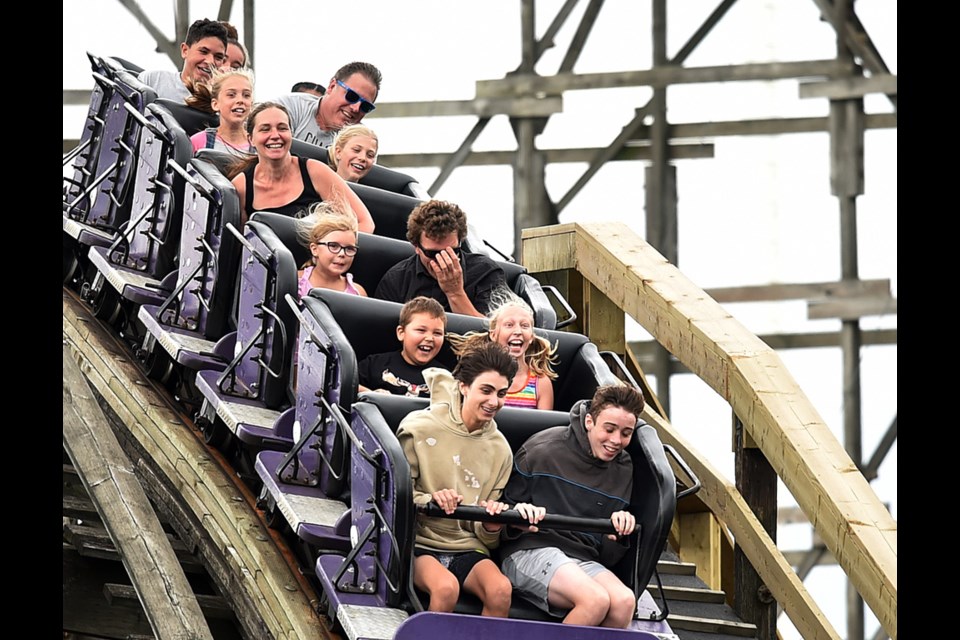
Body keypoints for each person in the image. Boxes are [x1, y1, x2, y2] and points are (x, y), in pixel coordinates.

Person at [499, 384, 645, 628]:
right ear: (589, 421)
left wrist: (616, 536)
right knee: (595, 599)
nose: (616, 441)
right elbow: (502, 521)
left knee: (624, 601)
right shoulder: (542, 449)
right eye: (609, 429)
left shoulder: (623, 468)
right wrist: (520, 520)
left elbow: (607, 557)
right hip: (530, 549)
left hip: (582, 557)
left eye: (626, 433)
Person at [396, 342, 519, 617]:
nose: (493, 402)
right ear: (463, 386)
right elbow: (395, 493)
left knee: (501, 590)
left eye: (501, 394)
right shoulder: (418, 427)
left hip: (466, 546)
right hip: (419, 542)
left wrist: (491, 525)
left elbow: (487, 540)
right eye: (485, 391)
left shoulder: (501, 450)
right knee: (445, 588)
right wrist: (431, 499)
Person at [228, 101, 374, 231]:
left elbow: (365, 223)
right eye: (265, 129)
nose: (275, 135)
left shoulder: (315, 171)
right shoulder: (241, 187)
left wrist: (334, 252)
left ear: (291, 133)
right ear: (251, 139)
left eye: (282, 128)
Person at [375, 200, 506, 318]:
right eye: (432, 254)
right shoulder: (396, 280)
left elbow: (497, 333)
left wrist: (455, 293)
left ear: (460, 242)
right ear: (416, 247)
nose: (443, 260)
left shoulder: (485, 272)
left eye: (452, 252)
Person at [448, 294, 557, 410]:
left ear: (531, 337)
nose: (518, 331)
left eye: (524, 326)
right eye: (509, 325)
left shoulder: (541, 383)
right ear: (493, 335)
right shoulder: (477, 374)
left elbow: (545, 423)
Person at [275, 61, 382, 147]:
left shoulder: (361, 141)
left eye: (365, 106)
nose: (356, 108)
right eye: (352, 96)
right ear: (332, 86)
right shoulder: (290, 106)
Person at [358, 296, 446, 397]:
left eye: (437, 333)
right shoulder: (375, 364)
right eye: (421, 330)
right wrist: (371, 394)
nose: (430, 338)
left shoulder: (445, 377)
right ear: (401, 333)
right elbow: (346, 384)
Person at [138, 19, 228, 102]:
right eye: (203, 51)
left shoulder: (220, 105)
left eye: (218, 57)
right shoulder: (153, 80)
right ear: (185, 50)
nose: (210, 61)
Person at [296, 202, 367, 298]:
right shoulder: (296, 281)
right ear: (314, 249)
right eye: (333, 246)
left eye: (349, 249)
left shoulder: (358, 292)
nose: (342, 254)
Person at [187, 68, 255, 156]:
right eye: (231, 95)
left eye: (246, 95)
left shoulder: (258, 143)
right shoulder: (199, 141)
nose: (240, 100)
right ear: (215, 104)